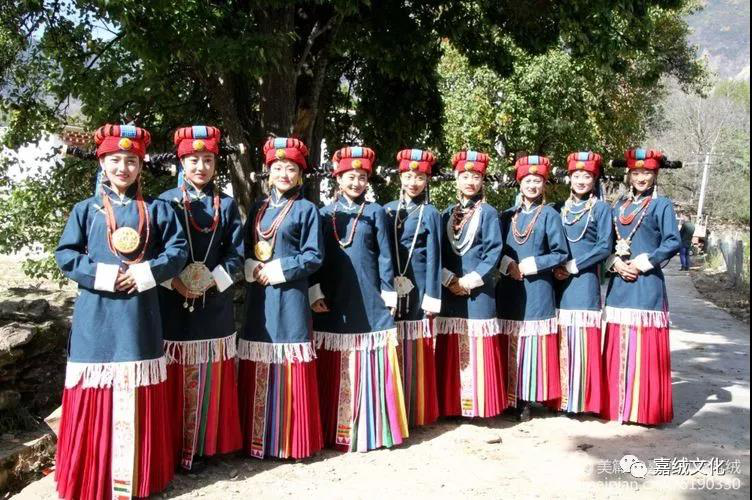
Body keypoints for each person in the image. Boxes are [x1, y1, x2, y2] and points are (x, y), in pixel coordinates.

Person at [55, 124, 187, 499]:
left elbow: (177, 252)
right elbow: (66, 255)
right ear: (102, 162)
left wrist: (146, 273)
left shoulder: (159, 210)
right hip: (96, 314)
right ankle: (90, 479)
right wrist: (105, 275)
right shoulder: (85, 210)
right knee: (95, 390)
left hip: (139, 314)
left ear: (141, 166)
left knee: (138, 389)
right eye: (115, 160)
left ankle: (140, 478)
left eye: (131, 161)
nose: (123, 168)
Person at [311, 146, 409, 452]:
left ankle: (373, 430)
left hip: (369, 295)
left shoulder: (375, 212)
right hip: (333, 295)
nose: (356, 182)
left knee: (372, 352)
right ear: (338, 178)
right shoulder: (323, 214)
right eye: (350, 177)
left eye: (362, 177)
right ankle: (333, 429)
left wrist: (389, 294)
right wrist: (315, 292)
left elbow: (385, 257)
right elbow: (315, 258)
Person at [158, 126, 243, 471]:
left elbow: (237, 254)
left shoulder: (228, 204)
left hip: (213, 303)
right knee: (171, 377)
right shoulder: (164, 202)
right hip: (171, 303)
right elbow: (153, 252)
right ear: (181, 162)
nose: (201, 167)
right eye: (193, 160)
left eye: (208, 160)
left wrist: (210, 282)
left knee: (210, 377)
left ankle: (205, 446)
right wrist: (174, 283)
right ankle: (171, 447)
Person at [239, 137, 324, 459]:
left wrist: (277, 269)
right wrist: (252, 266)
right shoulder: (258, 208)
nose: (284, 174)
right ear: (268, 172)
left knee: (289, 360)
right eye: (278, 168)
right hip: (259, 297)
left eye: (291, 169)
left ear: (300, 174)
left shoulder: (306, 209)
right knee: (258, 358)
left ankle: (291, 441)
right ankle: (256, 439)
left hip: (289, 296)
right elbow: (245, 247)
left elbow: (314, 255)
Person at [602, 148, 681, 425]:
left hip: (646, 283)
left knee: (643, 346)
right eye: (636, 173)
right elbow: (607, 243)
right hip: (619, 283)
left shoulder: (662, 206)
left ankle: (643, 410)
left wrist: (643, 262)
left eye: (646, 173)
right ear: (628, 175)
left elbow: (672, 241)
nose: (641, 178)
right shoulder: (618, 205)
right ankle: (616, 406)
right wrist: (615, 263)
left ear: (655, 175)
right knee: (618, 342)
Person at [435, 150, 506, 419]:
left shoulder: (488, 213)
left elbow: (493, 252)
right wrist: (449, 279)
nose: (470, 182)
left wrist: (468, 281)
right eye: (465, 176)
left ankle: (479, 405)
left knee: (478, 346)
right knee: (451, 345)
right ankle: (451, 404)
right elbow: (438, 252)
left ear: (482, 180)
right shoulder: (446, 214)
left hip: (478, 290)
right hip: (450, 289)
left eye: (475, 177)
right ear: (456, 179)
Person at [497, 155, 568, 421]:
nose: (532, 185)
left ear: (544, 184)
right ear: (519, 183)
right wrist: (508, 265)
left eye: (537, 181)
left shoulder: (550, 215)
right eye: (528, 180)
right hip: (509, 287)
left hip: (537, 288)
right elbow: (495, 249)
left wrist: (533, 264)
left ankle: (526, 398)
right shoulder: (507, 216)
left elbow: (560, 253)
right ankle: (507, 395)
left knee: (531, 345)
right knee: (509, 341)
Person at [384, 149, 442, 427]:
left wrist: (432, 296)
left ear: (427, 180)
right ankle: (393, 408)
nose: (413, 182)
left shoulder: (430, 213)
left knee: (417, 346)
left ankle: (416, 408)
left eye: (419, 178)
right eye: (408, 176)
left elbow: (435, 256)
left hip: (419, 285)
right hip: (391, 284)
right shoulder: (387, 209)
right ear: (400, 177)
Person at [551, 152, 613, 415]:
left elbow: (604, 246)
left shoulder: (601, 209)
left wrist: (572, 266)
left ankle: (579, 401)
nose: (581, 181)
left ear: (594, 179)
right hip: (556, 280)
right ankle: (558, 398)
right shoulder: (558, 208)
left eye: (586, 176)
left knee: (581, 340)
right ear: (569, 177)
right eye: (576, 175)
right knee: (559, 339)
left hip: (583, 279)